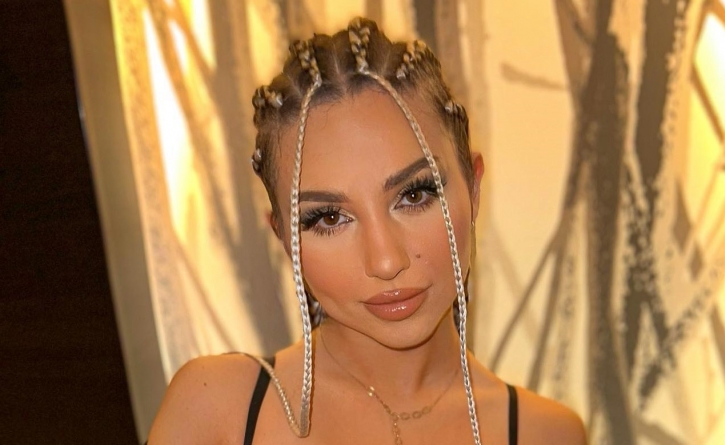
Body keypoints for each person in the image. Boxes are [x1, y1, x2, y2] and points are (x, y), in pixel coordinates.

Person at [147, 18, 586, 444]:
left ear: (473, 187)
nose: (385, 261)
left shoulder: (548, 434)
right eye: (329, 218)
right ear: (284, 238)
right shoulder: (218, 409)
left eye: (414, 194)